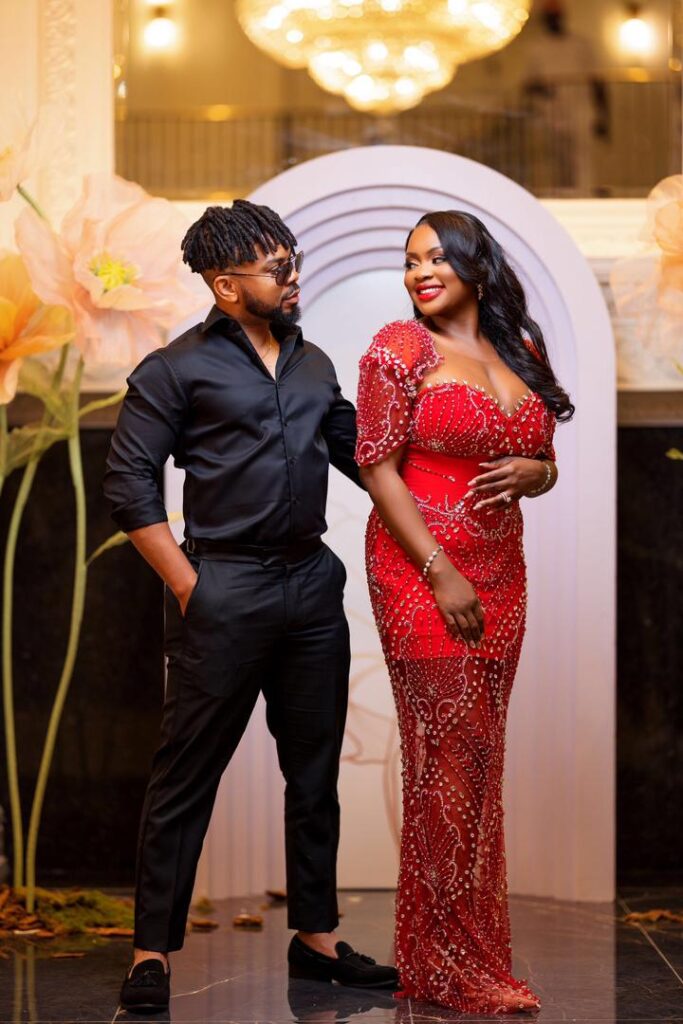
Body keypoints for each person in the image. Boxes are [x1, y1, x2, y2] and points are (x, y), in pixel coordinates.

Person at [104, 200, 398, 1012]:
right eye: (278, 266)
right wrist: (191, 585)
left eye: (292, 258)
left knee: (313, 776)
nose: (293, 274)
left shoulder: (312, 363)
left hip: (309, 587)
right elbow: (127, 484)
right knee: (184, 778)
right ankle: (150, 954)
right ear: (226, 285)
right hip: (222, 588)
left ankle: (317, 942)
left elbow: (363, 458)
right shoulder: (173, 368)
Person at [355, 210, 574, 1013]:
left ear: (476, 266)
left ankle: (452, 952)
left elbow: (545, 461)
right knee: (447, 760)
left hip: (503, 569)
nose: (421, 270)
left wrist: (534, 474)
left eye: (438, 256)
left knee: (477, 763)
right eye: (410, 259)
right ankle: (447, 965)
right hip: (421, 568)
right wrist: (439, 572)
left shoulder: (521, 350)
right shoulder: (398, 347)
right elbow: (375, 465)